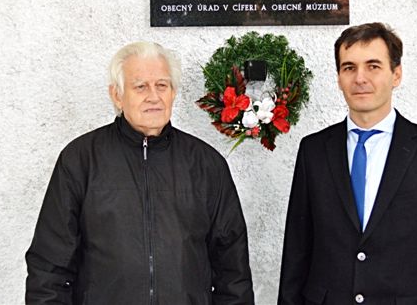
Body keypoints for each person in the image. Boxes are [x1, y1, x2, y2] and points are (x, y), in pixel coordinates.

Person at [26, 42, 254, 305]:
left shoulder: (206, 164)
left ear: (173, 93)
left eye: (162, 85)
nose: (153, 97)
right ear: (117, 95)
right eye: (141, 86)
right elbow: (48, 269)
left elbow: (233, 273)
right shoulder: (80, 160)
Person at [278, 23, 417, 305]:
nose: (360, 78)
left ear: (396, 74)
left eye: (373, 66)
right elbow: (297, 251)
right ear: (339, 78)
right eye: (349, 68)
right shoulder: (313, 150)